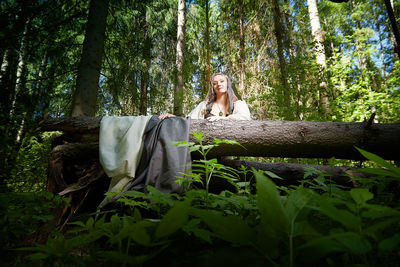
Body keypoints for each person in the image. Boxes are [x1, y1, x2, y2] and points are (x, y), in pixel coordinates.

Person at [158, 73, 251, 121]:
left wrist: (224, 118)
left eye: (222, 81)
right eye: (215, 83)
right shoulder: (204, 105)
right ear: (213, 88)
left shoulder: (238, 104)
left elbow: (245, 118)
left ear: (228, 84)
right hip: (204, 150)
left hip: (226, 151)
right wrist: (174, 117)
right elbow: (189, 120)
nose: (218, 84)